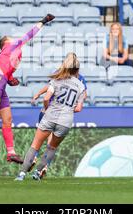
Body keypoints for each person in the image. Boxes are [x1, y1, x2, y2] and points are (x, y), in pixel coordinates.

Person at [0, 14, 56, 164]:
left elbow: (3, 72)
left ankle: (11, 153)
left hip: (0, 84)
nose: (12, 39)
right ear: (5, 43)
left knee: (7, 119)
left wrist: (10, 79)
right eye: (9, 38)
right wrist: (43, 21)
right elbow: (30, 34)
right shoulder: (12, 46)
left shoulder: (8, 54)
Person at [15, 53, 86, 181]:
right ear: (78, 69)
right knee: (52, 148)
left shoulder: (57, 79)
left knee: (35, 145)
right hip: (66, 121)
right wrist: (67, 110)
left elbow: (47, 98)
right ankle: (37, 172)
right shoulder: (81, 86)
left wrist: (48, 108)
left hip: (50, 116)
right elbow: (79, 108)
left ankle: (21, 174)